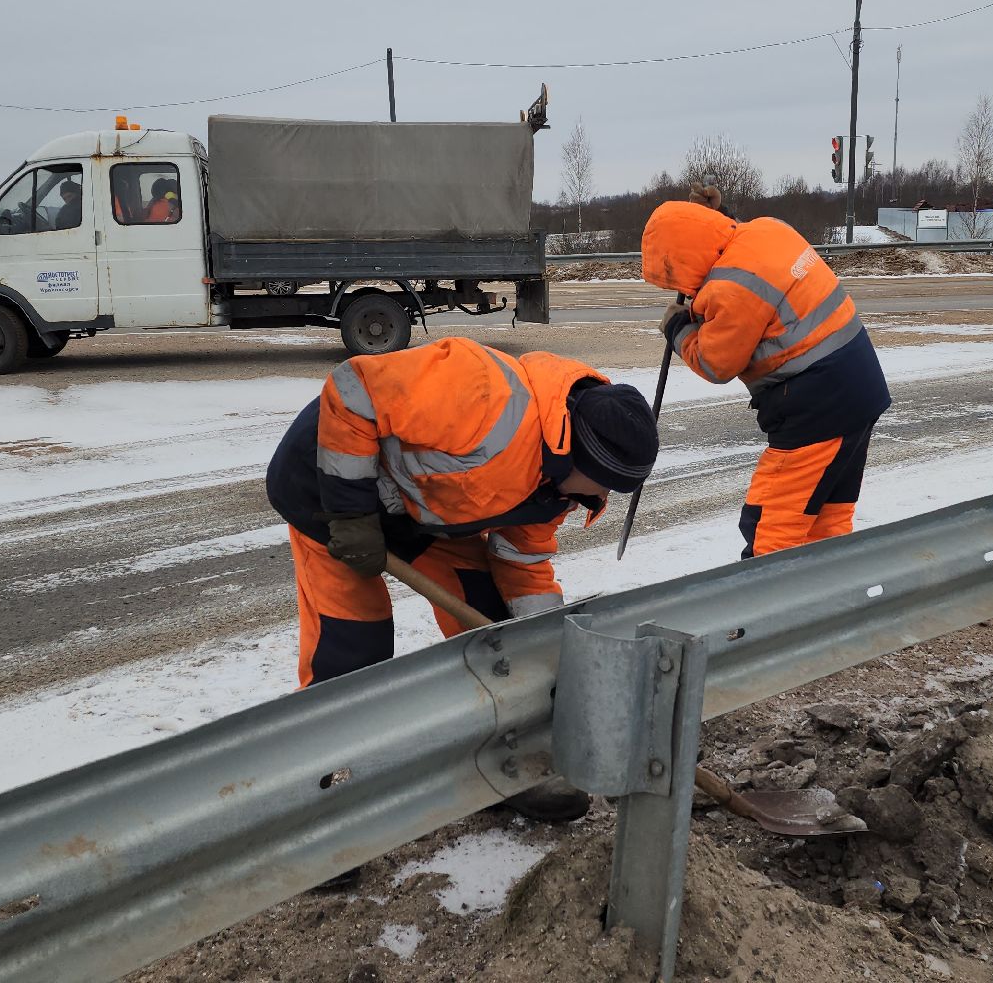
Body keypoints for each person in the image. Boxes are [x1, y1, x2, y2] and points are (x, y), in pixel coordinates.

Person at [265, 336, 658, 820]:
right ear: (580, 457)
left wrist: (546, 645)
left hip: (427, 514)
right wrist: (349, 514)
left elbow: (524, 563)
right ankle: (319, 808)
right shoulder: (485, 394)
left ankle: (501, 769)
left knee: (498, 638)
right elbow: (353, 389)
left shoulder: (556, 488)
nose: (601, 496)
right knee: (352, 650)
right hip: (329, 495)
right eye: (605, 483)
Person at [640, 185, 889, 559]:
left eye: (673, 276)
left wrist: (678, 329)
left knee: (771, 530)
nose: (681, 288)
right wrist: (712, 218)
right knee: (824, 521)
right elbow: (724, 238)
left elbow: (716, 363)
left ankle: (765, 613)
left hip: (817, 409)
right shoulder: (768, 229)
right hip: (859, 391)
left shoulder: (732, 289)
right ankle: (834, 608)